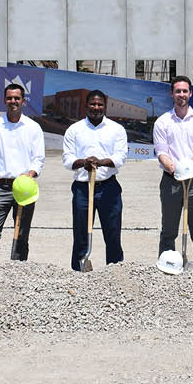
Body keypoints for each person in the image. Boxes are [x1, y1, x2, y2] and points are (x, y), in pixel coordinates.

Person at [62, 89, 128, 271]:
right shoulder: (74, 130)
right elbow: (67, 160)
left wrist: (100, 162)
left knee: (113, 234)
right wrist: (84, 162)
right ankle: (79, 272)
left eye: (100, 104)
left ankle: (115, 273)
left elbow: (121, 157)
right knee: (81, 234)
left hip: (109, 188)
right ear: (86, 106)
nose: (96, 107)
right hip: (83, 189)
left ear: (105, 106)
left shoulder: (117, 129)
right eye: (92, 104)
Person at [0, 83, 45, 262]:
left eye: (17, 98)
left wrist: (30, 175)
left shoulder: (33, 127)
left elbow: (38, 159)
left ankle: (18, 272)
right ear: (4, 100)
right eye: (9, 98)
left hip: (24, 188)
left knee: (21, 235)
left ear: (23, 101)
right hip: (1, 188)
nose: (13, 101)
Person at [153, 75, 193, 266]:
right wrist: (174, 168)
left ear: (190, 94)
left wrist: (187, 167)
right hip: (171, 181)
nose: (181, 95)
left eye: (185, 91)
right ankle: (166, 267)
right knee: (168, 231)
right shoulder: (162, 122)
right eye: (178, 91)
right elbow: (161, 151)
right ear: (172, 94)